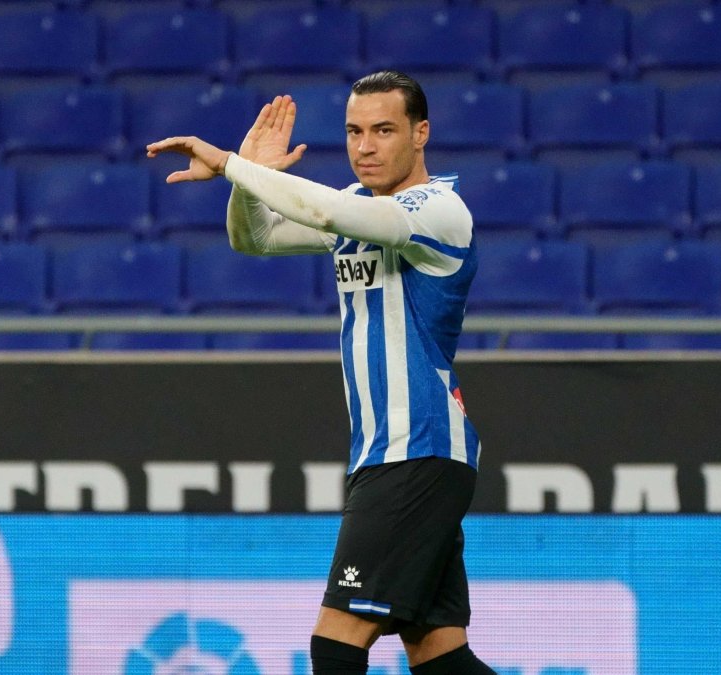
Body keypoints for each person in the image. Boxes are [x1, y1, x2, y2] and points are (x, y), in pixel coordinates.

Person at [147, 71, 494, 675]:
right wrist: (251, 183)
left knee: (335, 644)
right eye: (355, 131)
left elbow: (337, 214)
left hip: (415, 448)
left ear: (421, 134)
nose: (365, 146)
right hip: (394, 454)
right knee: (439, 656)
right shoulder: (359, 205)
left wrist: (233, 165)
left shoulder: (440, 208)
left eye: (384, 130)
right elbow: (253, 239)